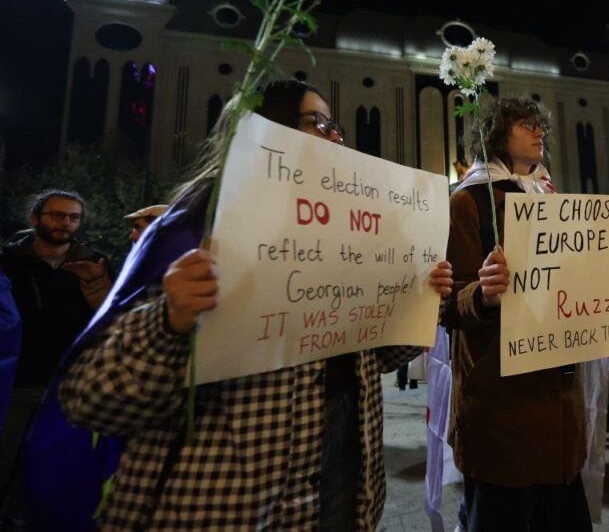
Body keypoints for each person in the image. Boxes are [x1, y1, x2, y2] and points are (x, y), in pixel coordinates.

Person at [58, 80, 455, 530]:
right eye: (318, 123)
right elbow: (89, 398)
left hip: (342, 493)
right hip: (222, 510)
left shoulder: (351, 242)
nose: (336, 136)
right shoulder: (195, 228)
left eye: (335, 126)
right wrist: (169, 320)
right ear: (267, 129)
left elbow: (375, 358)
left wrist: (418, 304)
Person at [443, 96, 609, 531]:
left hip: (561, 412)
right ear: (498, 133)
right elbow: (447, 303)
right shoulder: (468, 205)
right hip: (503, 411)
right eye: (527, 124)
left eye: (541, 124)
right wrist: (483, 296)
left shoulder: (554, 199)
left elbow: (576, 285)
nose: (540, 132)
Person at [0, 189, 112, 493]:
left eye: (74, 217)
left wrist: (96, 281)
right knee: (7, 457)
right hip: (18, 381)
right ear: (35, 218)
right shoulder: (9, 262)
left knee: (57, 467)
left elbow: (109, 320)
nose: (66, 223)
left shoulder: (95, 263)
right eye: (57, 215)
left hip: (70, 384)